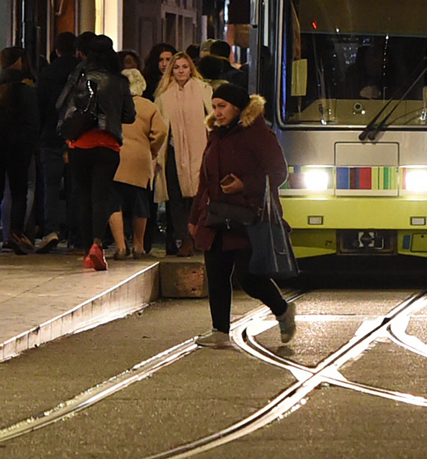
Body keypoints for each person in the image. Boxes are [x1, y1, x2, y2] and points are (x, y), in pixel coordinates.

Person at [190, 83, 295, 347]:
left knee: (249, 277)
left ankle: (282, 309)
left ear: (238, 108)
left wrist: (244, 185)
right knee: (216, 274)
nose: (217, 112)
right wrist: (194, 218)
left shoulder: (259, 135)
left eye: (222, 106)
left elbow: (278, 173)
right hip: (216, 218)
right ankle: (220, 332)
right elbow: (205, 180)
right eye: (214, 107)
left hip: (250, 218)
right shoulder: (215, 135)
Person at [55, 37, 137, 270]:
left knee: (83, 195)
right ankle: (97, 245)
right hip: (108, 145)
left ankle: (86, 247)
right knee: (101, 195)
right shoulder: (119, 81)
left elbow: (60, 104)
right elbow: (129, 116)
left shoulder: (79, 77)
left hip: (80, 144)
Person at [0, 47, 41, 255]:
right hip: (18, 150)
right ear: (18, 62)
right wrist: (30, 148)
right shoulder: (26, 90)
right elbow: (33, 124)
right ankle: (15, 232)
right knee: (18, 193)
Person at [156, 53, 214, 256]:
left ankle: (199, 236)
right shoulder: (163, 96)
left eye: (184, 67)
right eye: (177, 67)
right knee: (176, 198)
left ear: (191, 69)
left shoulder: (203, 90)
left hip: (200, 151)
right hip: (173, 152)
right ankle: (184, 239)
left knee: (198, 196)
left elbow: (212, 118)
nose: (181, 71)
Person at [113, 63, 170, 258]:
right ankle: (138, 246)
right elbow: (161, 132)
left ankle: (120, 245)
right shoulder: (149, 106)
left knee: (115, 203)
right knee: (140, 204)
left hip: (115, 157)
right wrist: (151, 150)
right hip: (140, 159)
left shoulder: (113, 103)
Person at [36, 32, 83, 251]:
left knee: (51, 187)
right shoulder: (82, 72)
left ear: (56, 50)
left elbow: (40, 107)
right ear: (76, 50)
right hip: (77, 136)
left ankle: (51, 230)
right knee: (76, 187)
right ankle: (76, 233)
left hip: (50, 136)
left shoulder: (47, 73)